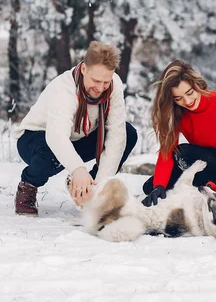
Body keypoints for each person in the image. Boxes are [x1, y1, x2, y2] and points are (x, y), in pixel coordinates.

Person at [13, 41, 138, 216]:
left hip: (77, 138)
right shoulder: (64, 89)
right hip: (35, 139)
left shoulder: (114, 85)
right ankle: (28, 185)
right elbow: (56, 137)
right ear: (84, 69)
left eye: (106, 82)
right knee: (49, 153)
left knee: (128, 133)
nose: (101, 88)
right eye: (96, 80)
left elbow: (116, 136)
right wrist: (78, 169)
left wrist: (99, 187)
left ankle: (87, 189)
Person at [141, 60, 216, 208]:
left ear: (197, 84)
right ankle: (204, 189)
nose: (187, 101)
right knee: (151, 187)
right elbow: (167, 152)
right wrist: (158, 186)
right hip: (210, 163)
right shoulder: (176, 113)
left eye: (189, 92)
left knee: (184, 153)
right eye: (178, 98)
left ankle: (212, 191)